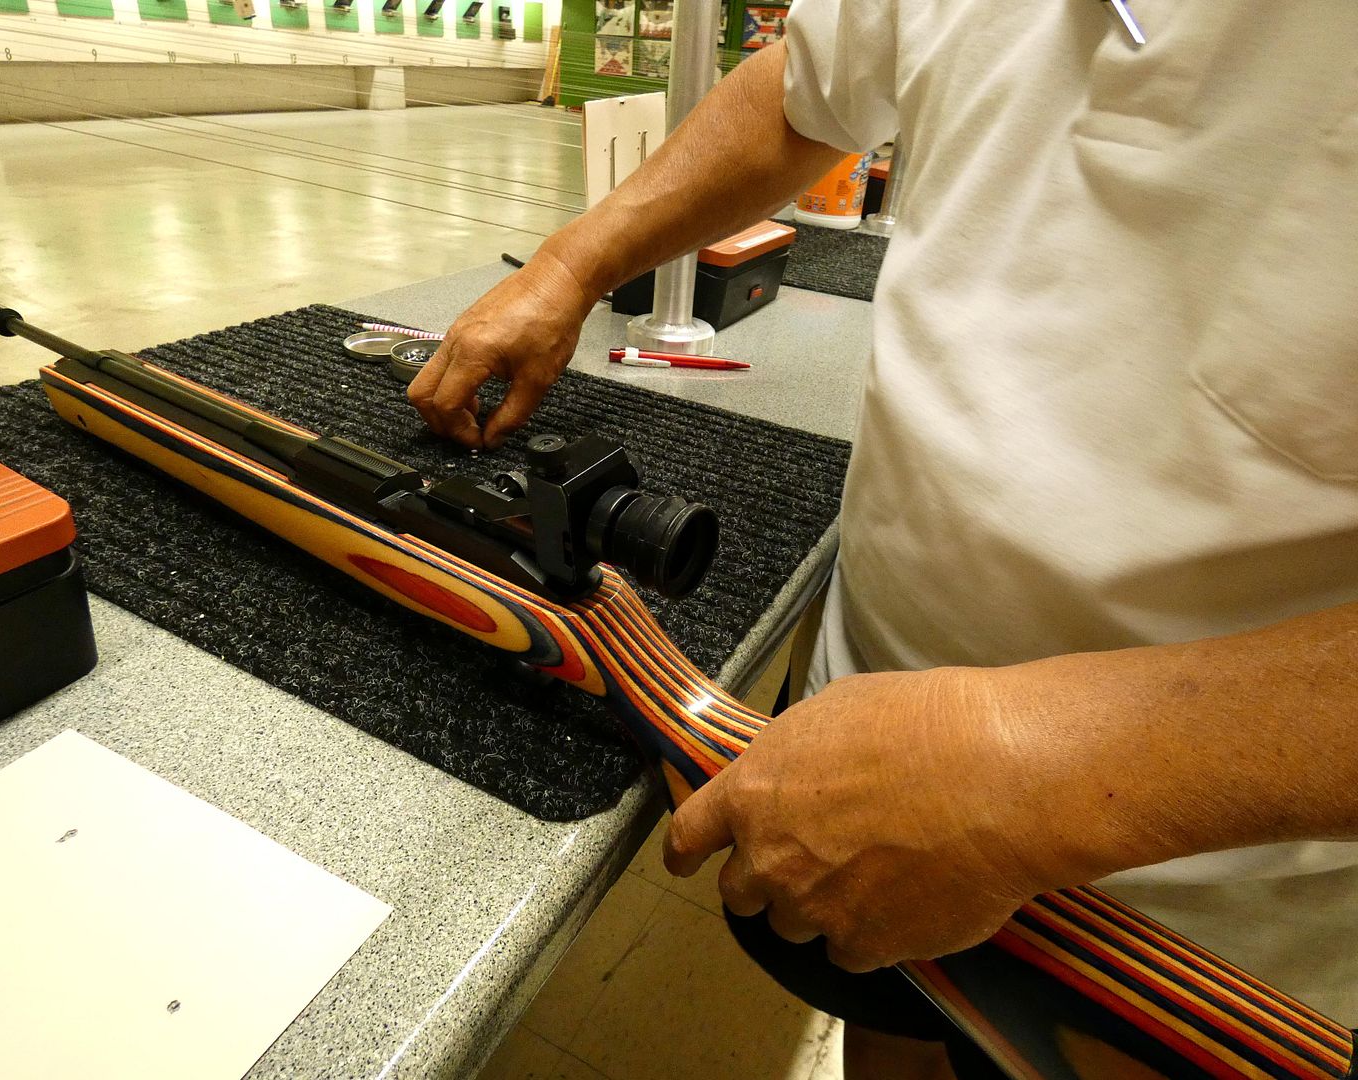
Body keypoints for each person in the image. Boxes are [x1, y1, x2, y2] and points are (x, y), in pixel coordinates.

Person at [408, 1, 1358, 1073]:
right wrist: (568, 265)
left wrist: (1028, 767)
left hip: (1200, 929)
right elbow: (805, 90)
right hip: (858, 733)